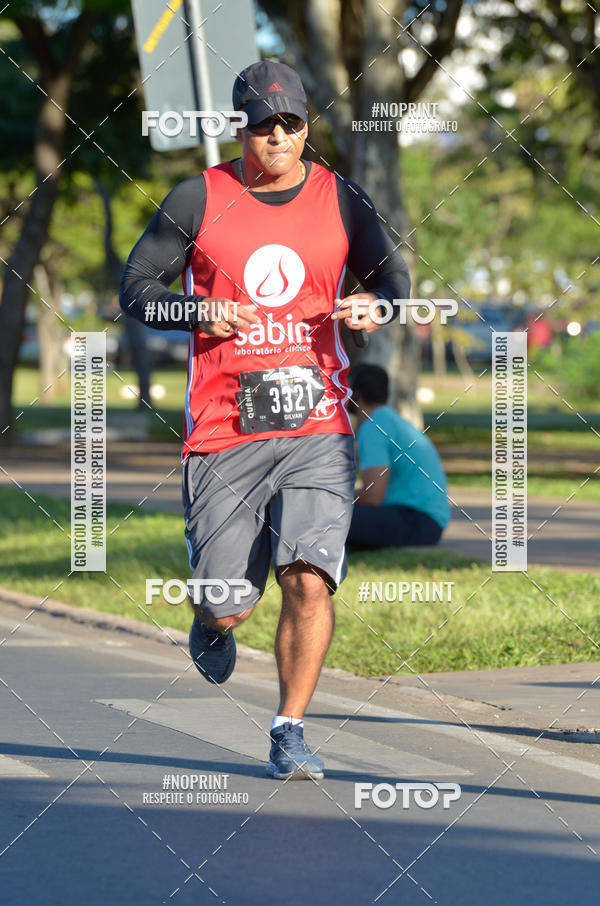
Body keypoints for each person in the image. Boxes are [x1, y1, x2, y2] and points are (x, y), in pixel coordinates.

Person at [119, 60, 409, 780]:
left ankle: (290, 730)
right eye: (262, 123)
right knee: (228, 603)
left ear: (308, 126)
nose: (277, 136)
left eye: (291, 123)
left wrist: (379, 305)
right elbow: (135, 288)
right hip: (225, 428)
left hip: (318, 423)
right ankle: (212, 618)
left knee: (309, 578)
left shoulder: (341, 198)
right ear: (238, 126)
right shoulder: (198, 197)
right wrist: (199, 308)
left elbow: (392, 277)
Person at [347, 364, 449, 548]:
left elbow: (372, 497)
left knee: (327, 516)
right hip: (427, 521)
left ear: (356, 394)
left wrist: (332, 499)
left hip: (417, 520)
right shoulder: (390, 419)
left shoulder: (373, 427)